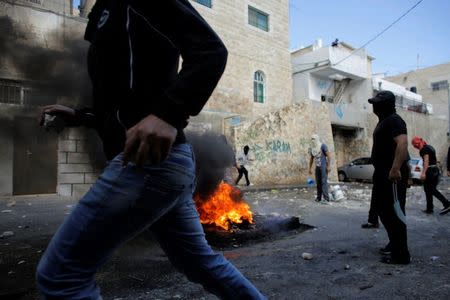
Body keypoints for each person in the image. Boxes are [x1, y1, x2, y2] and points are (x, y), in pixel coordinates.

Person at [35, 1, 266, 299]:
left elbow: (211, 52)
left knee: (61, 275)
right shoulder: (104, 11)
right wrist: (81, 116)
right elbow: (124, 103)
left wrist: (169, 114)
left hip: (148, 164)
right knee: (199, 262)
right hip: (163, 166)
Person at [368, 90, 410, 264]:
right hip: (382, 172)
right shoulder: (384, 121)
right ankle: (394, 244)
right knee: (382, 210)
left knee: (394, 212)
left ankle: (401, 255)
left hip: (390, 173)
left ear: (385, 105)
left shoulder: (394, 120)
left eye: (377, 103)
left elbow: (402, 143)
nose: (374, 106)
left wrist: (395, 168)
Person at [411, 136, 450, 215]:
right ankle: (429, 208)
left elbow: (426, 161)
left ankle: (447, 204)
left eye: (415, 145)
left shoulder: (424, 150)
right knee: (427, 189)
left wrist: (423, 173)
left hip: (430, 171)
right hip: (435, 170)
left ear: (417, 143)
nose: (415, 147)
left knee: (431, 189)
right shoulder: (429, 147)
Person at [308, 134, 331, 202]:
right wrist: (310, 168)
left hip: (323, 166)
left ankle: (326, 198)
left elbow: (329, 156)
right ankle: (319, 198)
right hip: (317, 167)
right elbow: (311, 159)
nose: (312, 140)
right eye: (311, 139)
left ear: (317, 139)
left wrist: (328, 166)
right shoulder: (312, 148)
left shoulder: (323, 146)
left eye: (314, 139)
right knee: (318, 183)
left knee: (324, 182)